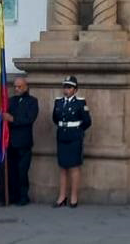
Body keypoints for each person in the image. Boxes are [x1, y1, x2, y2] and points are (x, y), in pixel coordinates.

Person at [52, 75, 90, 208]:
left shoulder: (80, 103)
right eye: (65, 87)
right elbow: (55, 119)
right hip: (62, 135)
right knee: (62, 167)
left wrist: (77, 131)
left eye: (69, 87)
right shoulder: (58, 102)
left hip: (74, 136)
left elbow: (87, 121)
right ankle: (62, 196)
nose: (66, 90)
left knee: (74, 167)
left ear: (75, 89)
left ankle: (74, 196)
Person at [5, 75, 38, 205]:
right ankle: (12, 195)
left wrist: (13, 119)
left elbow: (29, 119)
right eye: (15, 87)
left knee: (22, 171)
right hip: (10, 141)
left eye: (19, 87)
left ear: (26, 87)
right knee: (11, 171)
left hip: (24, 142)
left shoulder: (32, 101)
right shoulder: (10, 101)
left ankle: (23, 197)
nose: (17, 89)